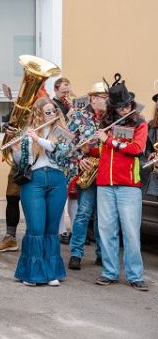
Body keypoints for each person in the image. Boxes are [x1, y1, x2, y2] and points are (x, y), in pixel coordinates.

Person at [94, 75, 148, 291]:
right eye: (120, 107)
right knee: (107, 230)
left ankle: (135, 275)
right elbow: (101, 152)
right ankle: (109, 272)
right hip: (105, 184)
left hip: (128, 185)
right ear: (113, 108)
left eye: (127, 105)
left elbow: (136, 149)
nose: (125, 109)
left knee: (131, 232)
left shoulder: (140, 123)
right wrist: (90, 146)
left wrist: (110, 140)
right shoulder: (105, 123)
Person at [11, 97, 71, 286]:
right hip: (34, 181)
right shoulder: (28, 132)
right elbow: (22, 163)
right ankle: (32, 273)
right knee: (36, 228)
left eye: (54, 111)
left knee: (51, 229)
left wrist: (37, 139)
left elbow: (59, 151)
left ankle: (51, 272)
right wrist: (16, 150)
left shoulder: (62, 131)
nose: (52, 114)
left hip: (57, 180)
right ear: (38, 114)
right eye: (48, 112)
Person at [66, 82, 108, 270]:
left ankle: (102, 254)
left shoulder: (111, 118)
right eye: (104, 98)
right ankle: (76, 253)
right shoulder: (79, 117)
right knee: (83, 213)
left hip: (107, 171)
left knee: (103, 216)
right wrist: (78, 160)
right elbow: (66, 143)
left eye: (108, 98)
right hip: (89, 170)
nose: (107, 101)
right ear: (93, 98)